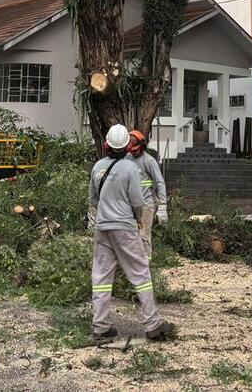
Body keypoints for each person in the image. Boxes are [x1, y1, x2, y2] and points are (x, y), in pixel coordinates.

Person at [89, 124, 174, 342]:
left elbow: (94, 200)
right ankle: (152, 324)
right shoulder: (129, 168)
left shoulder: (98, 166)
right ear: (127, 146)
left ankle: (100, 327)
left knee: (101, 276)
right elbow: (138, 201)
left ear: (106, 145)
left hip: (102, 228)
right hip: (124, 227)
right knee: (140, 273)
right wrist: (137, 220)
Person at [128, 130, 168, 259]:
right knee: (131, 235)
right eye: (131, 150)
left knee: (144, 236)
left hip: (147, 205)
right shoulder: (127, 159)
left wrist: (162, 207)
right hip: (132, 206)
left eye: (136, 149)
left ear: (142, 146)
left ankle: (147, 264)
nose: (134, 152)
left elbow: (160, 182)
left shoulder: (149, 161)